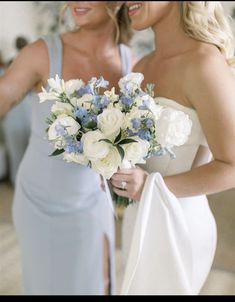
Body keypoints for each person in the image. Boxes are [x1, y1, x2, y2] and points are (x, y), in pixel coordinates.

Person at [0, 1, 134, 295]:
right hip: (38, 201)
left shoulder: (129, 62)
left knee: (98, 284)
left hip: (92, 200)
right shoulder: (41, 52)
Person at [111, 1, 235, 295]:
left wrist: (149, 186)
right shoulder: (141, 66)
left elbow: (232, 166)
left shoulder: (204, 62)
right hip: (137, 220)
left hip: (178, 227)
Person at [2, 36, 31, 185]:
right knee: (19, 151)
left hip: (22, 111)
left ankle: (21, 180)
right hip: (18, 112)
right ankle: (18, 180)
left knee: (21, 150)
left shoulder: (13, 64)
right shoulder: (14, 64)